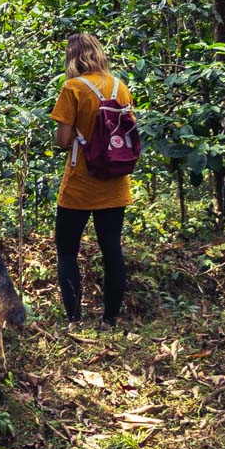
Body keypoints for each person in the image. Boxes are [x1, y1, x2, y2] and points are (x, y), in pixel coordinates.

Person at [48, 32, 132, 326]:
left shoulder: (72, 88)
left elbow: (62, 140)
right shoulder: (120, 87)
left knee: (67, 251)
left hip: (81, 184)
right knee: (112, 249)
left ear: (72, 58)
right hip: (115, 181)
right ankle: (110, 319)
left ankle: (74, 318)